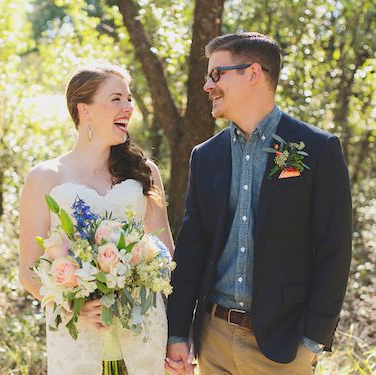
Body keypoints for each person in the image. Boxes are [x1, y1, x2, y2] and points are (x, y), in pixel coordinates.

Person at [165, 32, 352, 375]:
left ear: (253, 74)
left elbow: (334, 250)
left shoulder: (317, 149)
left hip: (282, 344)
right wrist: (177, 331)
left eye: (216, 74)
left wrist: (312, 341)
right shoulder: (206, 157)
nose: (208, 85)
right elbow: (191, 248)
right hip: (213, 339)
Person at [19, 64, 174, 374]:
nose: (128, 107)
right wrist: (72, 302)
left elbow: (167, 254)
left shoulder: (146, 173)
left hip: (142, 329)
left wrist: (138, 271)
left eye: (129, 99)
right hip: (80, 335)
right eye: (116, 98)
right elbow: (28, 271)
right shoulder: (44, 177)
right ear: (84, 110)